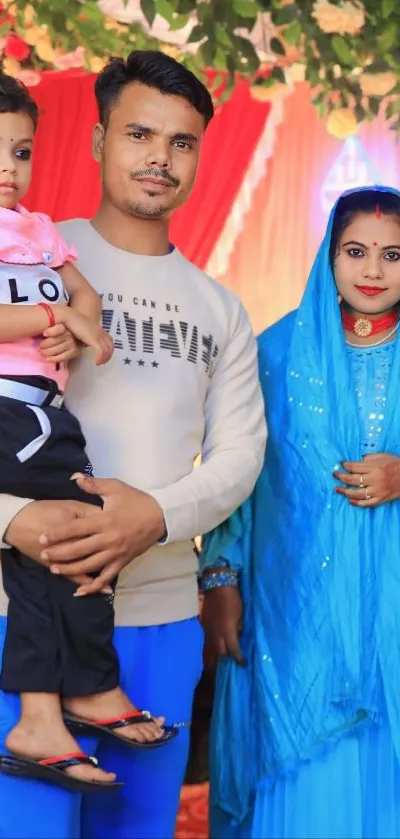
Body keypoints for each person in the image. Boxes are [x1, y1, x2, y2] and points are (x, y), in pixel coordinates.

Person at [0, 51, 267, 839]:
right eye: (139, 133)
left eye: (181, 142)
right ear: (96, 140)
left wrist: (150, 513)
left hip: (157, 617)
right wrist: (10, 516)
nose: (159, 157)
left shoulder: (220, 308)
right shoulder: (26, 256)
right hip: (22, 608)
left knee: (139, 829)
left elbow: (239, 455)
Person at [202, 185, 400, 839]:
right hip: (297, 607)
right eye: (355, 251)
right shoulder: (277, 353)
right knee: (301, 757)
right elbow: (241, 472)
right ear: (328, 254)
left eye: (392, 254)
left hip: (394, 608)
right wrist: (220, 578)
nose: (372, 271)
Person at [0, 73, 173, 795]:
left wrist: (85, 323)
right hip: (7, 408)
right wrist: (53, 321)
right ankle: (80, 693)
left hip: (45, 410)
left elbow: (83, 292)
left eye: (21, 152)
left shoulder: (39, 230)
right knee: (79, 523)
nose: (9, 169)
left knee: (66, 539)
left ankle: (50, 710)